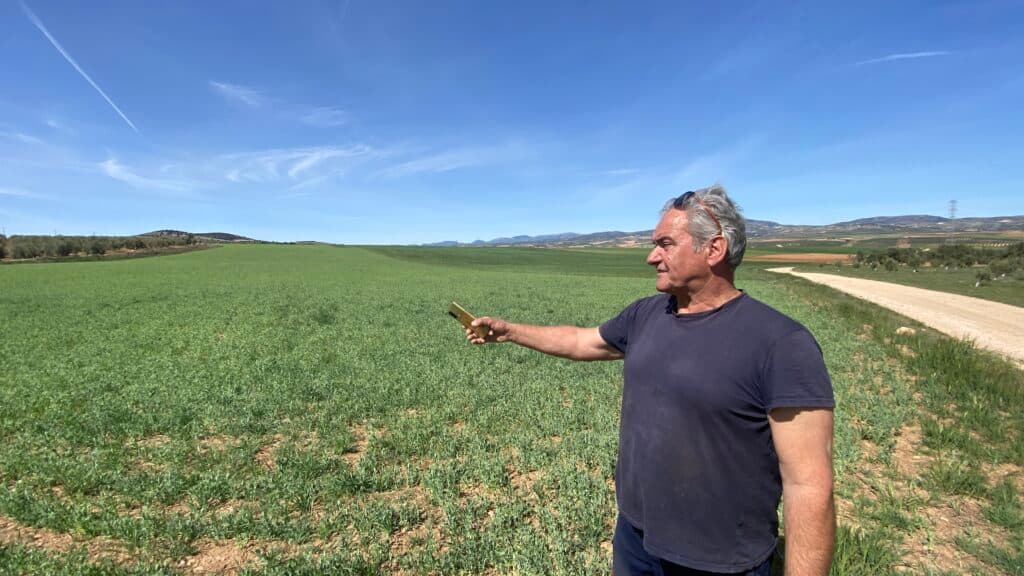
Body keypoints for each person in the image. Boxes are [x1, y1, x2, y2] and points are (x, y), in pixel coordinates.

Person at [466, 185, 835, 575]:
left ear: (714, 249)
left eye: (665, 244)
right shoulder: (647, 314)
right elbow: (581, 341)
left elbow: (808, 486)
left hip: (721, 560)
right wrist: (509, 331)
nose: (651, 257)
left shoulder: (781, 344)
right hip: (636, 540)